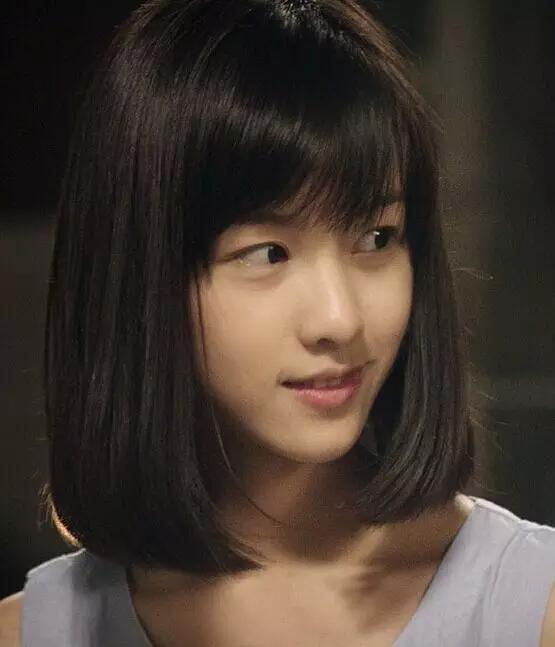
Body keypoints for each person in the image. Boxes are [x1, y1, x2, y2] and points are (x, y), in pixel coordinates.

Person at [1, 0, 554, 645]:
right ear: (141, 280)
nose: (340, 318)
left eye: (377, 238)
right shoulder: (33, 632)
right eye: (268, 253)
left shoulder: (532, 609)